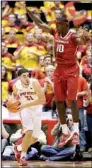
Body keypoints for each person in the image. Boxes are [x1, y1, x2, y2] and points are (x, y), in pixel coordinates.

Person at [26, 8, 88, 141]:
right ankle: (65, 130)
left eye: (58, 25)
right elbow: (41, 24)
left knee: (72, 100)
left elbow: (82, 41)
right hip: (59, 69)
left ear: (65, 25)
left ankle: (76, 131)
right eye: (56, 25)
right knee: (59, 101)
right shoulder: (55, 33)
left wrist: (84, 37)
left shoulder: (72, 37)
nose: (56, 27)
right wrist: (30, 14)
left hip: (71, 70)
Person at [9, 68, 46, 166]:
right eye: (24, 76)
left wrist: (25, 104)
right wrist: (12, 101)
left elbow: (42, 100)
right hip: (25, 111)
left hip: (36, 110)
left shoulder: (34, 83)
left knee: (34, 139)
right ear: (19, 77)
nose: (27, 78)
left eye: (27, 75)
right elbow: (14, 95)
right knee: (29, 131)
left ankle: (19, 148)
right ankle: (23, 157)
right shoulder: (16, 85)